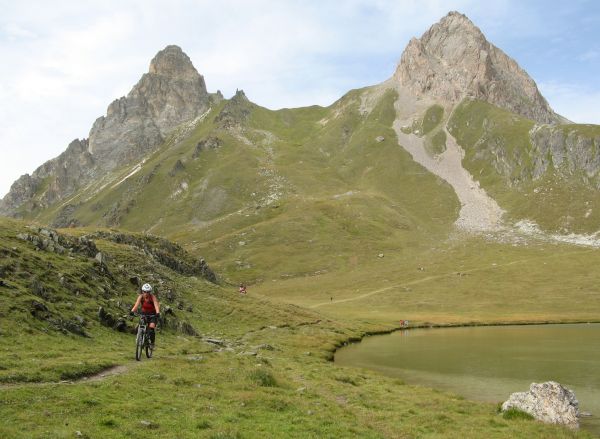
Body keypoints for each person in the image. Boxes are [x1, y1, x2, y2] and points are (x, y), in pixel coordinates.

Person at [130, 283, 160, 348]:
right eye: (144, 291)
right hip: (144, 313)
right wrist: (132, 311)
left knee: (151, 328)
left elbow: (156, 305)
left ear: (150, 292)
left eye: (148, 292)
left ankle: (152, 343)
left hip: (152, 314)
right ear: (142, 291)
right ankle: (140, 337)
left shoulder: (152, 297)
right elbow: (136, 305)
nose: (146, 293)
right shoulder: (141, 297)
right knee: (141, 324)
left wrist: (157, 313)